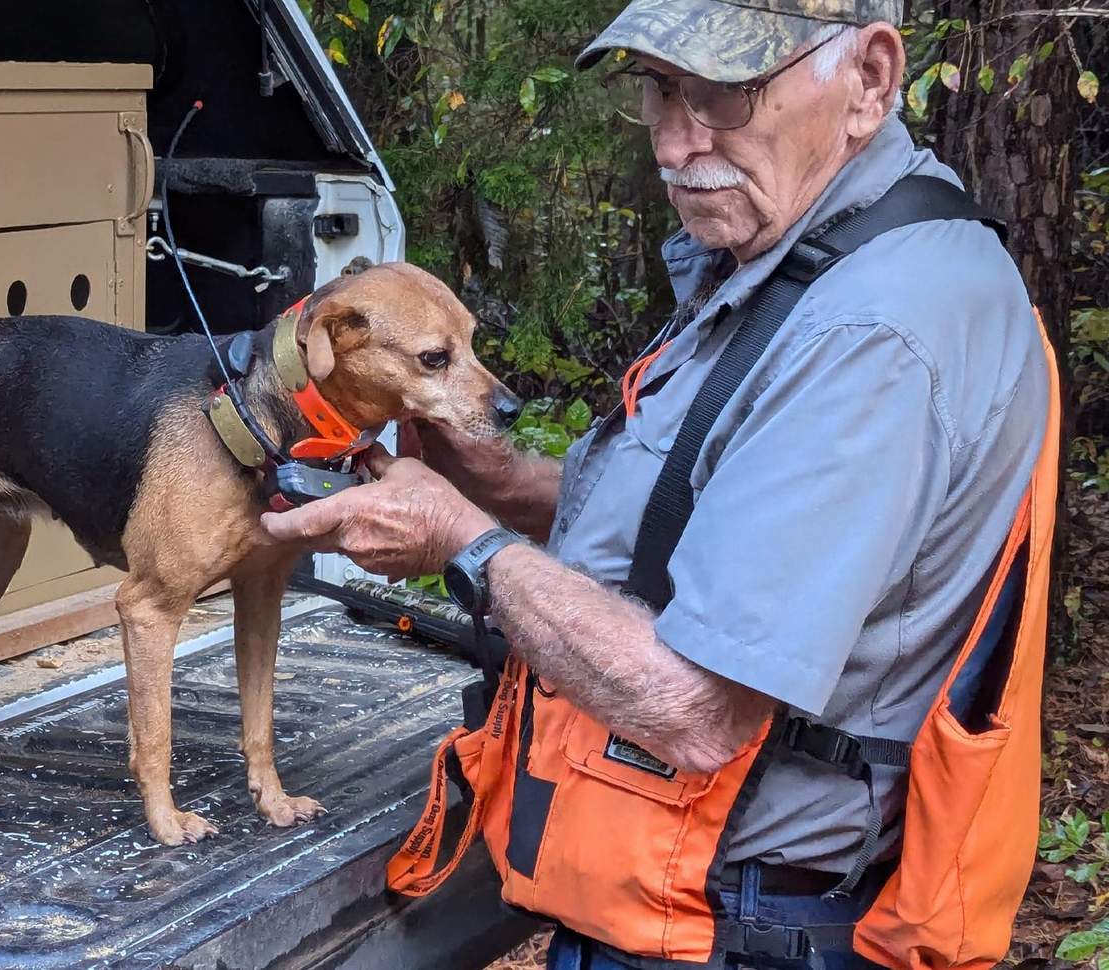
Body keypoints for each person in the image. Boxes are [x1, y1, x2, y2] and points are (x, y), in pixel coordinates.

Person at [262, 0, 1057, 966]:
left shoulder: (872, 333)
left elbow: (695, 708)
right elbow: (713, 512)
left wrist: (465, 542)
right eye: (659, 90)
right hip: (690, 901)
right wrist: (504, 483)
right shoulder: (803, 252)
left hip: (736, 928)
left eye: (726, 93)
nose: (679, 146)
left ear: (871, 80)